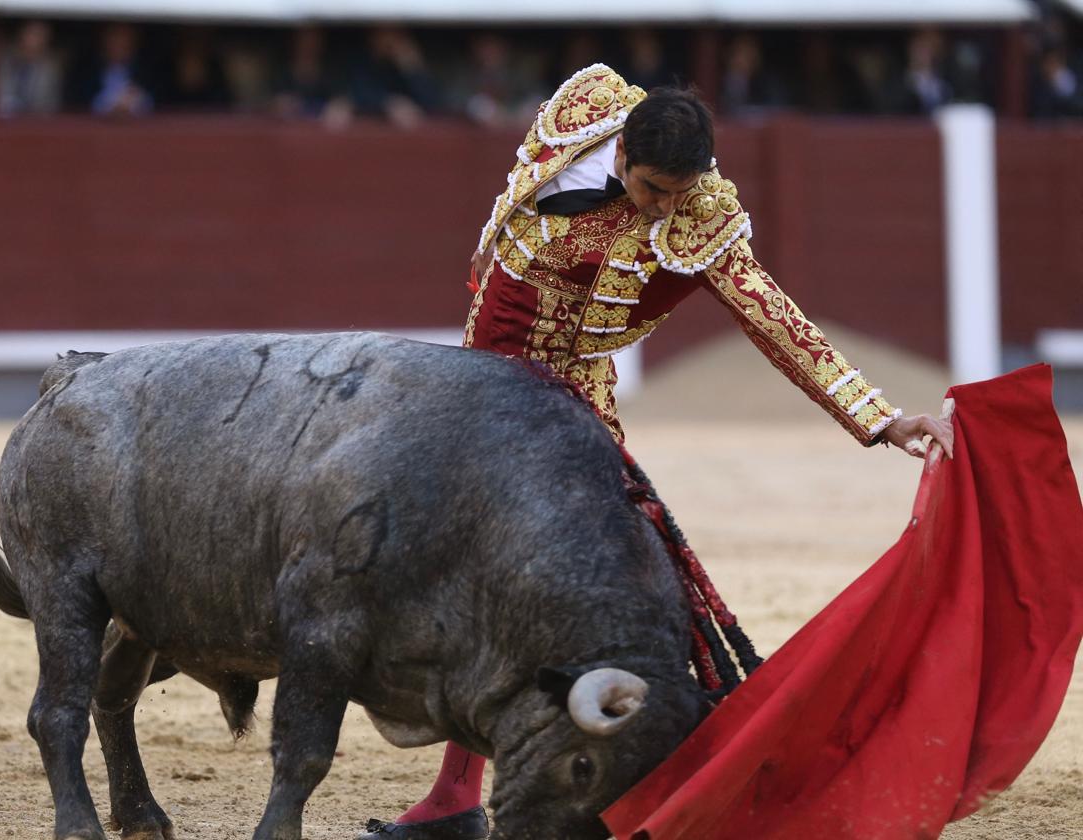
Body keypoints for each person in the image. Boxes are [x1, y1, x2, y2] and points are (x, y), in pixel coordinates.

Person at [355, 64, 954, 840]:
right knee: (456, 570)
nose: (667, 208)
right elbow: (514, 196)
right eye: (650, 191)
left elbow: (776, 321)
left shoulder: (701, 218)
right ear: (622, 154)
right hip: (481, 379)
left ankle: (512, 788)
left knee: (573, 582)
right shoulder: (587, 105)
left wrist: (879, 417)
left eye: (680, 193)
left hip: (573, 393)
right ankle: (459, 797)